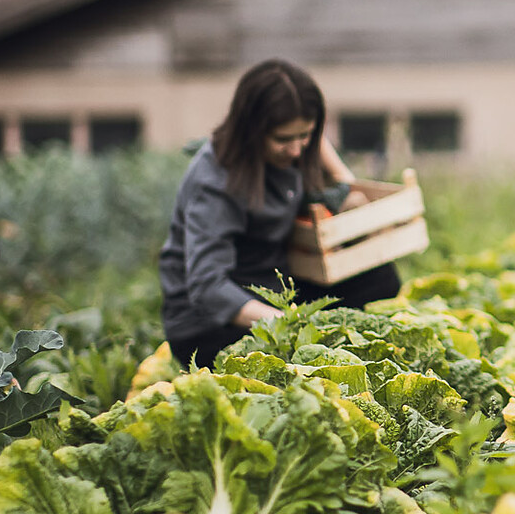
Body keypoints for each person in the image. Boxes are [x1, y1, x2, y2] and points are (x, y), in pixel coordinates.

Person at [159, 58, 400, 368]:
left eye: (306, 136)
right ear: (250, 131)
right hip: (210, 324)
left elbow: (345, 184)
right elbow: (208, 287)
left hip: (273, 288)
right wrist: (290, 323)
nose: (297, 149)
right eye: (284, 139)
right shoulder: (216, 181)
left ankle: (353, 360)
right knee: (285, 365)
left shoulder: (291, 152)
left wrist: (330, 163)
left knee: (378, 277)